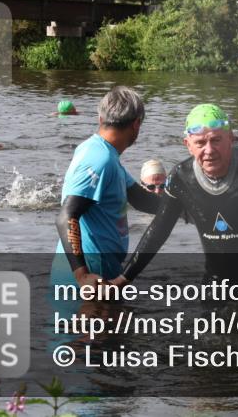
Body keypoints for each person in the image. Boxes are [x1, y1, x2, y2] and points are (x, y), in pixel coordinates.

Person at [118, 104, 238, 317]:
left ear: (231, 139)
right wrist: (124, 279)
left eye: (216, 140)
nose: (209, 150)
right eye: (200, 143)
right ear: (188, 145)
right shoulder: (180, 178)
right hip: (216, 283)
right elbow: (158, 231)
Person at [53, 86, 162, 288]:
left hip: (102, 269)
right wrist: (82, 276)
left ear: (100, 119)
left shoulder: (106, 155)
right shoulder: (100, 159)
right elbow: (66, 216)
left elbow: (141, 199)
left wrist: (189, 205)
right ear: (137, 124)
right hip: (91, 273)